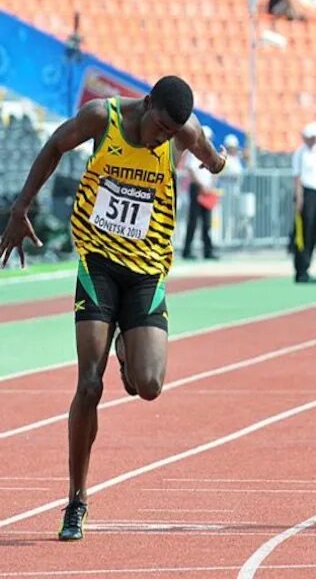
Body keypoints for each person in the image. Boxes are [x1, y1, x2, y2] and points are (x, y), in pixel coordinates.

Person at [0, 76, 227, 540]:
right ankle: (76, 500)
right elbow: (53, 145)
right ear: (146, 106)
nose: (162, 138)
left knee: (149, 386)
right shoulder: (104, 117)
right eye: (159, 127)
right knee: (88, 383)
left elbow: (207, 152)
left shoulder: (181, 133)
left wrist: (217, 160)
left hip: (147, 271)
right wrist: (22, 206)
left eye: (170, 133)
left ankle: (128, 343)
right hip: (98, 264)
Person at [292, 121, 316, 283]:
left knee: (312, 232)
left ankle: (307, 266)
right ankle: (300, 269)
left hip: (315, 193)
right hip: (305, 193)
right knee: (303, 233)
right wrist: (299, 198)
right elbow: (297, 177)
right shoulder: (300, 153)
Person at [182, 125, 219, 260]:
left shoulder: (209, 154)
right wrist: (201, 186)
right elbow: (191, 170)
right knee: (193, 221)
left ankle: (208, 251)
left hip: (207, 189)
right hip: (197, 189)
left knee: (207, 223)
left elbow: (215, 171)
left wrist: (210, 185)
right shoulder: (194, 152)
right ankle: (187, 250)